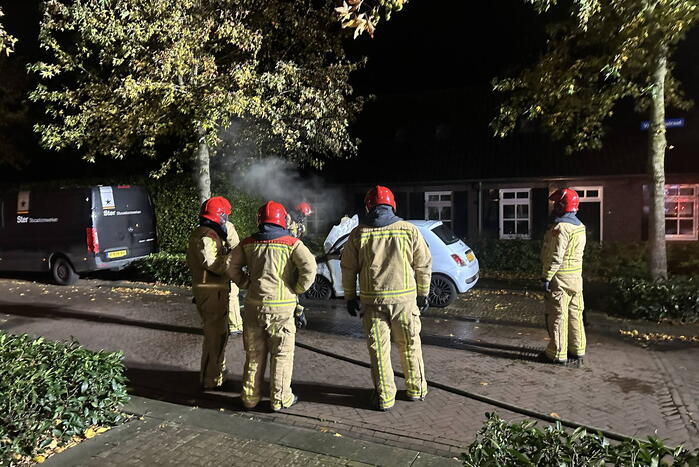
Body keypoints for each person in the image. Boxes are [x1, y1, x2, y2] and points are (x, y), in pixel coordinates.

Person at [340, 185, 431, 411]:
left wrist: (350, 297)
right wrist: (423, 293)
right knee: (410, 346)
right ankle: (416, 390)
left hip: (372, 303)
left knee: (379, 352)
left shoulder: (358, 234)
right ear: (393, 205)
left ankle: (385, 398)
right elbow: (423, 264)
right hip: (404, 302)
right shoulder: (409, 230)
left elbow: (348, 268)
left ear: (368, 207)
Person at [227, 201, 316, 411]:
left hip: (253, 307)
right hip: (282, 310)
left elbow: (230, 265)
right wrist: (297, 289)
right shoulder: (292, 243)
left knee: (254, 355)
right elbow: (309, 268)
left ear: (259, 221)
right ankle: (280, 399)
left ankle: (249, 398)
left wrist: (245, 282)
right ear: (282, 220)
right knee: (282, 354)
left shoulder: (247, 243)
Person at [186, 196, 234, 390]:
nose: (226, 221)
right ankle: (211, 379)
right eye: (225, 217)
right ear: (219, 216)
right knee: (216, 337)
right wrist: (234, 257)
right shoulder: (207, 236)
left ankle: (216, 373)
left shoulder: (205, 233)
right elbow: (214, 264)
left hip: (210, 291)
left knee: (218, 335)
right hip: (212, 292)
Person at [540, 188, 587, 366]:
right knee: (575, 314)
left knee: (558, 315)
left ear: (562, 206)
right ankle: (577, 349)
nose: (553, 207)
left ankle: (557, 353)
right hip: (576, 279)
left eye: (556, 204)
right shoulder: (580, 227)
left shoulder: (560, 228)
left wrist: (546, 277)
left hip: (560, 280)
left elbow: (555, 256)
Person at [224, 220, 243, 335]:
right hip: (227, 266)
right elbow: (236, 247)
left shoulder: (203, 227)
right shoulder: (226, 225)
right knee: (232, 296)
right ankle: (235, 326)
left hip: (213, 268)